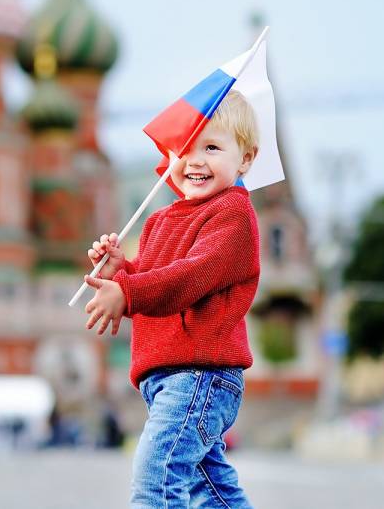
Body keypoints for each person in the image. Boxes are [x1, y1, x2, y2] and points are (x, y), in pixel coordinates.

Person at [83, 90, 260, 508]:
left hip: (200, 374)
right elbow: (154, 275)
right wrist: (120, 269)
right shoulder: (161, 219)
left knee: (155, 478)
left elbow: (188, 278)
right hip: (166, 377)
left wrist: (126, 293)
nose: (195, 161)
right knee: (211, 489)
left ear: (246, 159)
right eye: (184, 148)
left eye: (212, 148)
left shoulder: (233, 215)